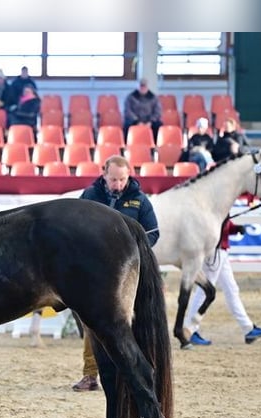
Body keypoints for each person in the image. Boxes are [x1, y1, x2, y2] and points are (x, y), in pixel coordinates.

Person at [72, 155, 160, 392]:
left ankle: (131, 372)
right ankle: (90, 374)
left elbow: (151, 234)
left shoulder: (140, 201)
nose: (118, 184)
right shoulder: (90, 197)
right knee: (93, 323)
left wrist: (129, 254)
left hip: (126, 273)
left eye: (122, 179)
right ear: (104, 175)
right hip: (94, 273)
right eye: (113, 179)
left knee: (128, 324)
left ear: (128, 176)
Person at [184, 219, 261, 346]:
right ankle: (190, 330)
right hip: (216, 251)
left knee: (232, 290)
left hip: (222, 251)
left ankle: (248, 329)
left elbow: (223, 221)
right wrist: (231, 228)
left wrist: (234, 229)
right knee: (204, 290)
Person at [122, 77, 163, 142]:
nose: (143, 88)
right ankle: (127, 145)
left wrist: (150, 121)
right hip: (135, 121)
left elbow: (157, 112)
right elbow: (128, 111)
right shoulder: (130, 97)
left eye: (144, 86)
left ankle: (155, 146)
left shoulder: (154, 98)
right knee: (127, 125)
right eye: (141, 86)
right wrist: (137, 121)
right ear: (138, 86)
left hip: (149, 121)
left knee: (159, 125)